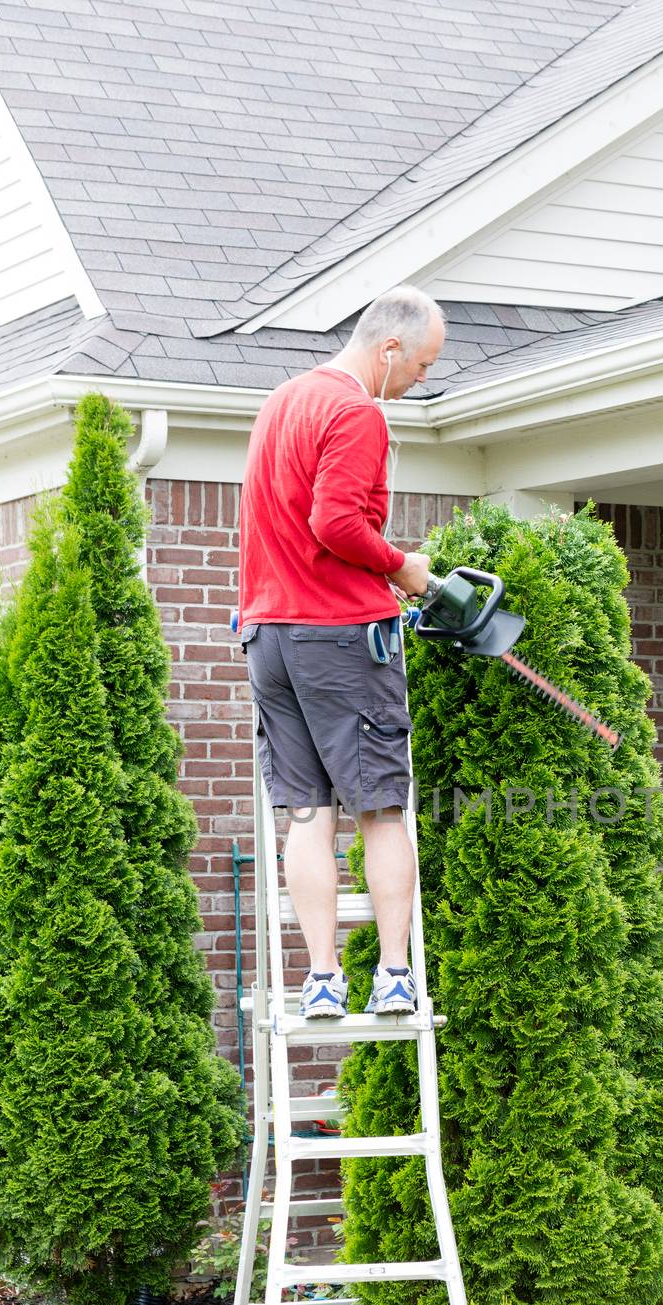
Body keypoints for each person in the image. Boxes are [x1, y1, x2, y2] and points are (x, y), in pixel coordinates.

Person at [237, 285, 445, 1020]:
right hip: (339, 634)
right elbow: (334, 523)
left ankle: (321, 976)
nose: (420, 379)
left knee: (306, 814)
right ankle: (394, 973)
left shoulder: (282, 401)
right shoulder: (356, 410)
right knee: (382, 811)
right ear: (388, 348)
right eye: (420, 365)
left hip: (268, 634)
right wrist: (404, 567)